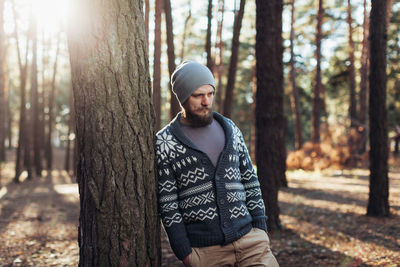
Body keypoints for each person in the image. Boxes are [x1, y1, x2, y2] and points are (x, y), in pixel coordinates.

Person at [155, 61, 279, 267]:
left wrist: (260, 227)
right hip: (205, 253)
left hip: (252, 243)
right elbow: (168, 203)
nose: (206, 101)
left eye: (210, 93)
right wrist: (184, 252)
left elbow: (250, 180)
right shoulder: (165, 142)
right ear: (183, 96)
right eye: (198, 95)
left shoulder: (230, 128)